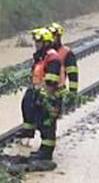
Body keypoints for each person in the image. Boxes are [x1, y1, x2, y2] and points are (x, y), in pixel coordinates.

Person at [24, 27, 63, 160]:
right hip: (42, 95)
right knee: (41, 122)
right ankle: (43, 150)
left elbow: (51, 83)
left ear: (46, 43)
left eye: (39, 43)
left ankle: (46, 154)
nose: (36, 45)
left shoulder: (52, 58)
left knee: (48, 125)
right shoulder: (42, 57)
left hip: (51, 98)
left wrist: (43, 97)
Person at [48, 22, 79, 105]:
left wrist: (72, 94)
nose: (51, 38)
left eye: (53, 35)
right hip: (43, 93)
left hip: (58, 92)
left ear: (58, 37)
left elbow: (73, 75)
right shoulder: (44, 53)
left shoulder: (66, 53)